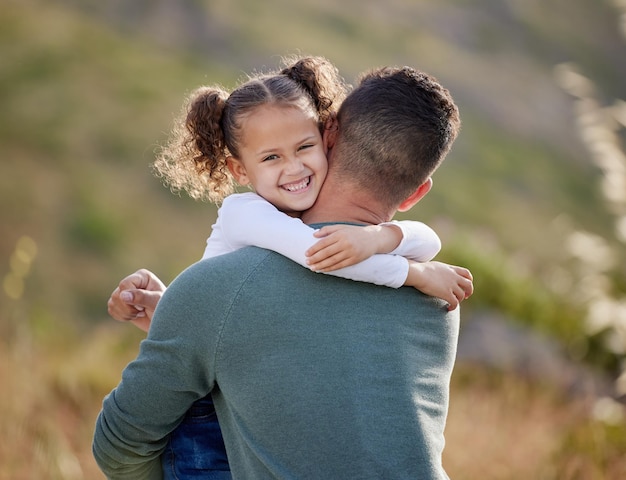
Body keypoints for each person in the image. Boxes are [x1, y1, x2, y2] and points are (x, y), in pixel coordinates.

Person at [94, 64, 467, 479]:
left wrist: (185, 311)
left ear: (327, 136)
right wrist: (414, 274)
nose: (291, 167)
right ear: (417, 193)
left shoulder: (217, 288)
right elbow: (326, 258)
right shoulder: (441, 302)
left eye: (301, 147)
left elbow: (118, 447)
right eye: (271, 157)